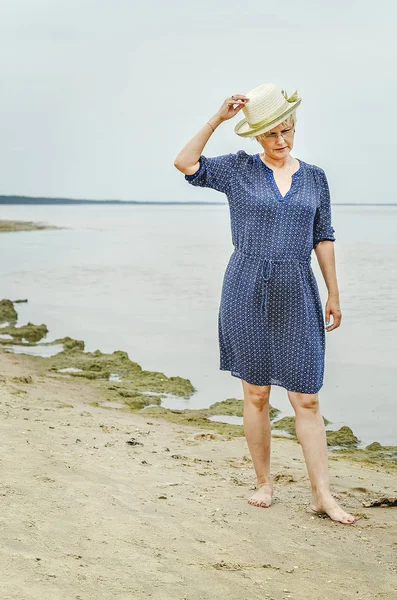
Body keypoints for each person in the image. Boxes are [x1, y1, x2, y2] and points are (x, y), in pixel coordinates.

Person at [174, 83, 356, 525]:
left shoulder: (315, 178)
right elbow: (185, 163)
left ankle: (322, 495)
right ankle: (264, 483)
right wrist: (218, 118)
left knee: (306, 398)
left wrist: (333, 292)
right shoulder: (239, 171)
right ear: (256, 136)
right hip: (246, 288)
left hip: (298, 288)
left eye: (288, 131)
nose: (282, 141)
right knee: (256, 394)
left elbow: (323, 236)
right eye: (273, 134)